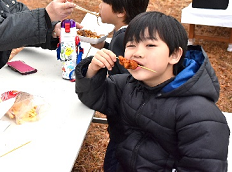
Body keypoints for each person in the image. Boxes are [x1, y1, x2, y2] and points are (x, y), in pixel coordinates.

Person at [75, 11, 229, 171]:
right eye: (131, 45)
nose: (137, 53)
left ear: (174, 55)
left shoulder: (199, 115)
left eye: (150, 45)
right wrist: (92, 70)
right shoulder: (126, 84)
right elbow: (92, 97)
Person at [89, 0, 149, 171]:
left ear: (121, 11)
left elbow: (121, 82)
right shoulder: (135, 33)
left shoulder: (121, 39)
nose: (99, 5)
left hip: (125, 127)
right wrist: (102, 44)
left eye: (104, 1)